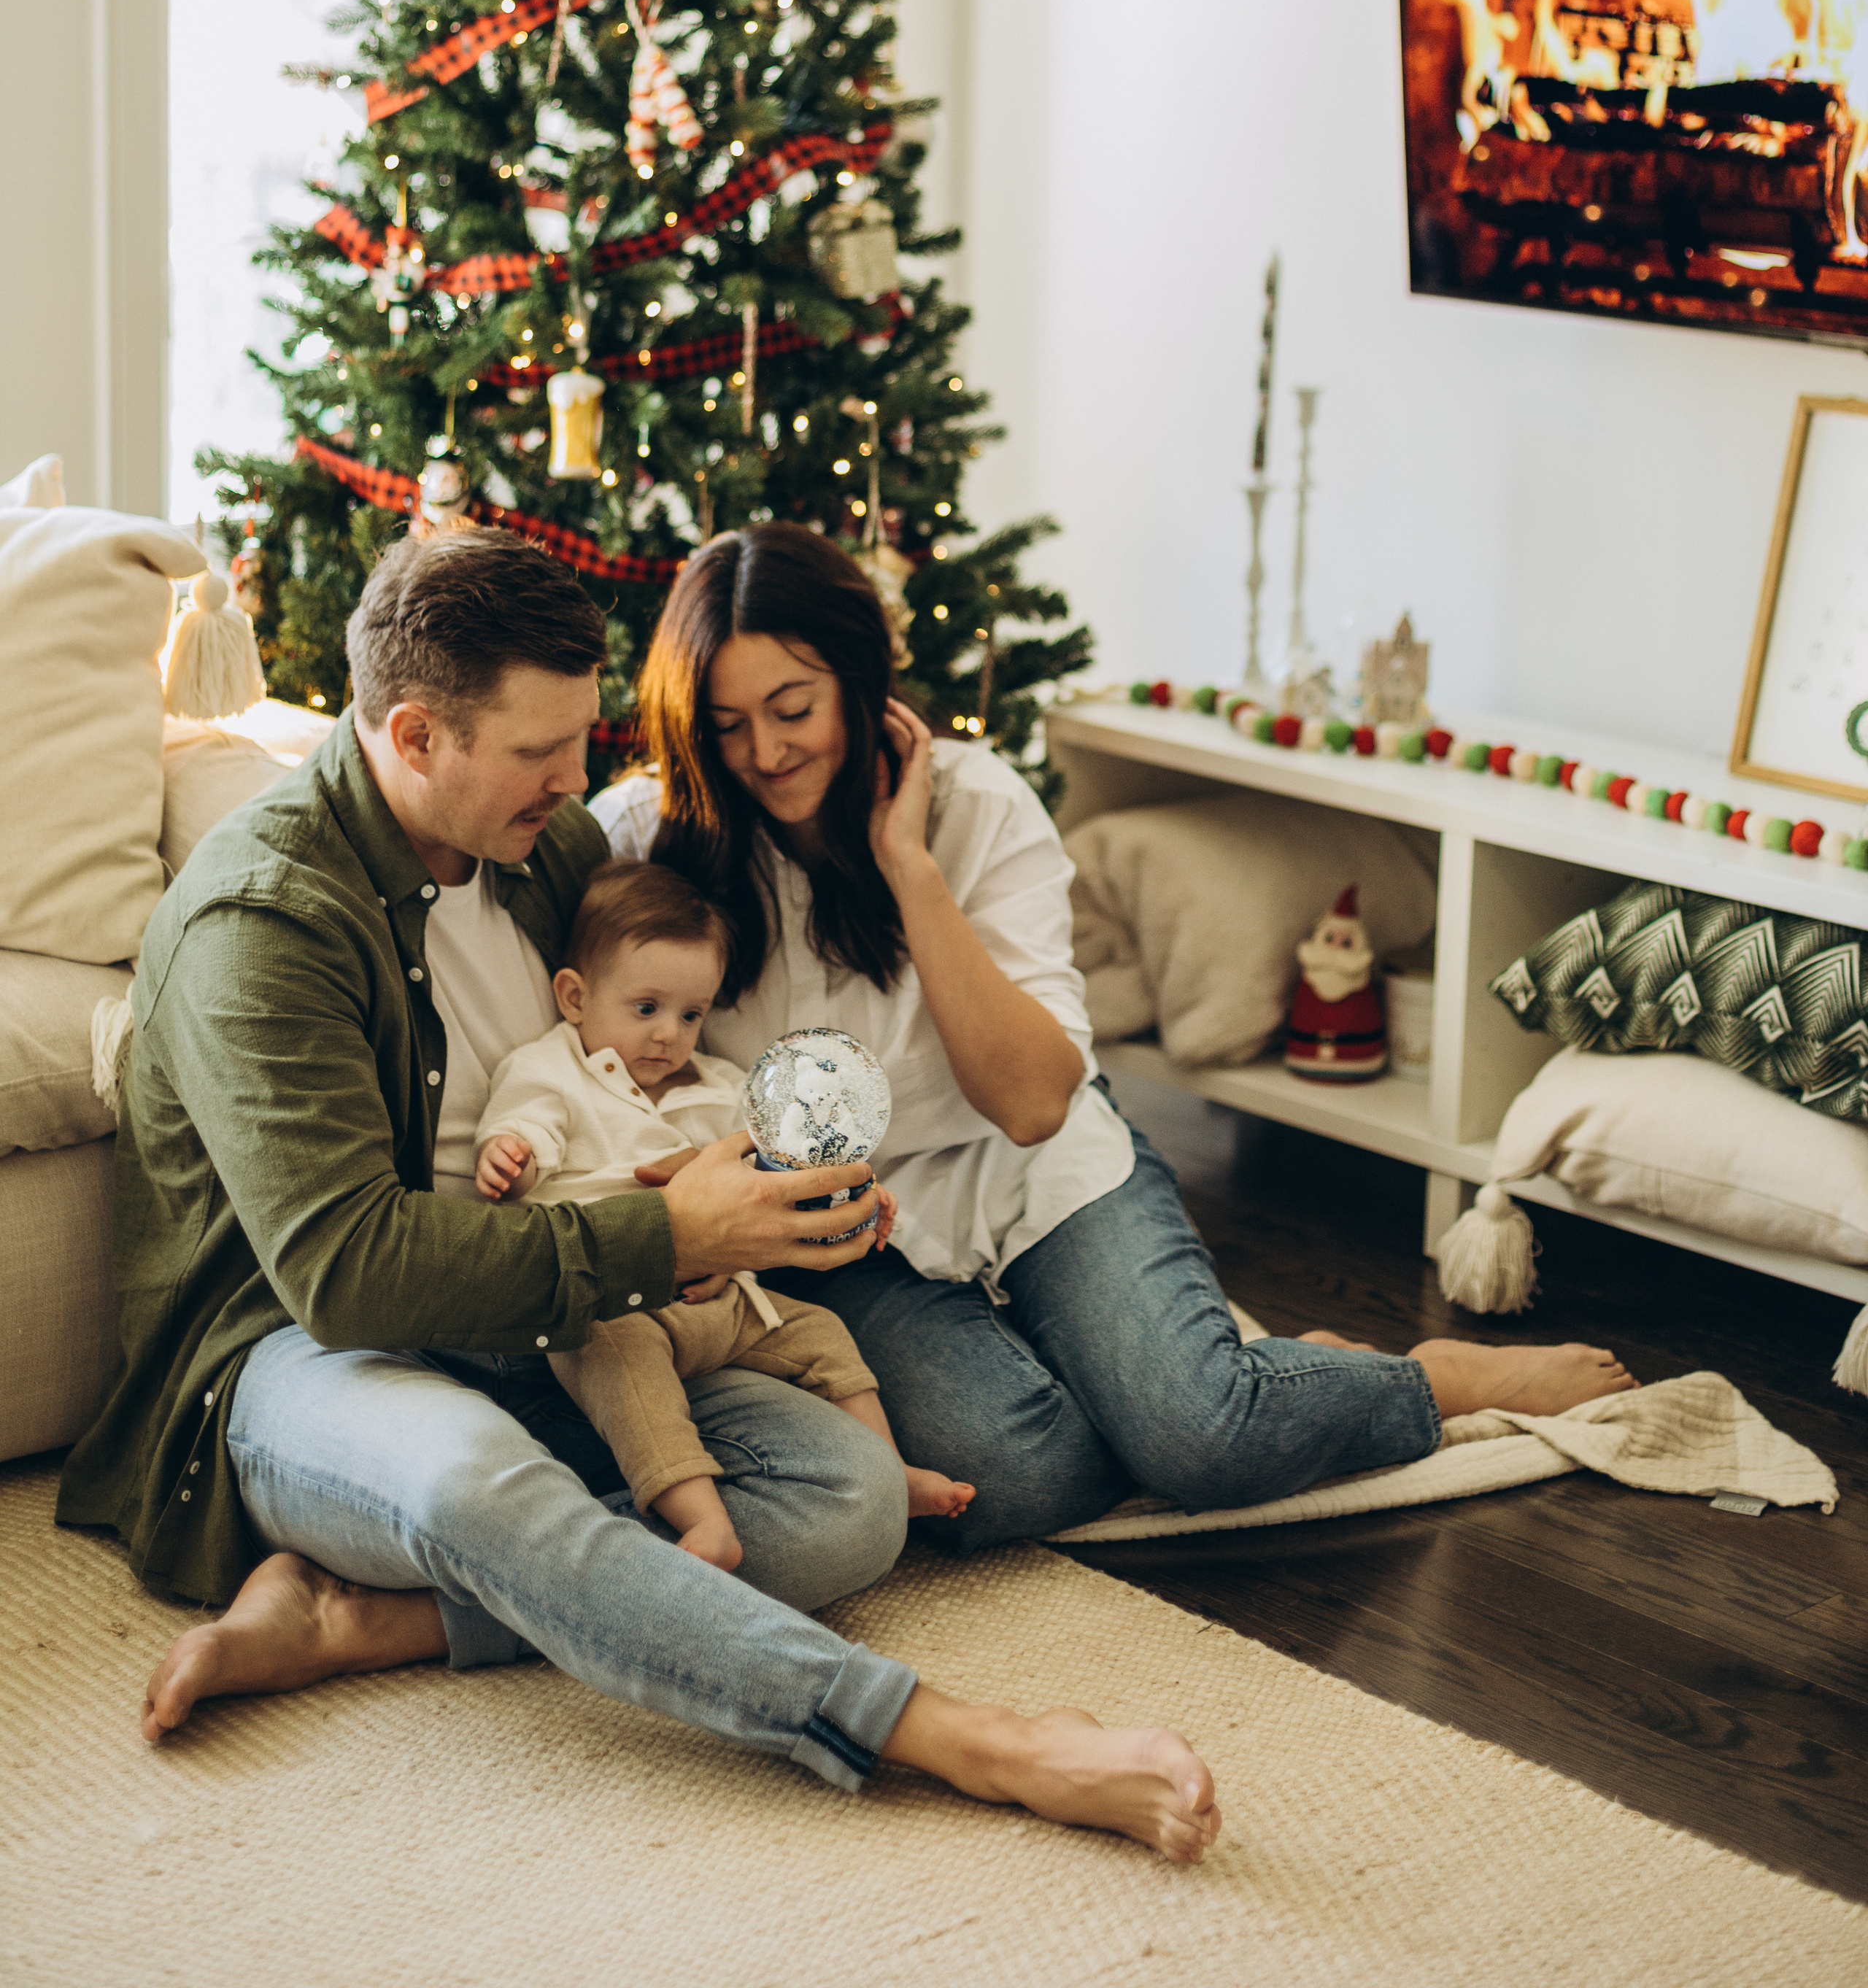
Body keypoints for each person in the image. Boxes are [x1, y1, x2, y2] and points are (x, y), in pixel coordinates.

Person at [53, 529, 1218, 1865]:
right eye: (542, 753)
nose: (584, 781)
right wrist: (666, 1230)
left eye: (584, 740)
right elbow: (348, 1274)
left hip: (550, 1316)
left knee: (853, 1495)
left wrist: (732, 1185)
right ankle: (960, 1739)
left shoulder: (543, 856)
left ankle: (373, 1617)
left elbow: (640, 1077)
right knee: (476, 1480)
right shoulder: (267, 923)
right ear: (419, 735)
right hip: (302, 1351)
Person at [595, 524, 1638, 1550]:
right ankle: (1214, 1384)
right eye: (727, 724)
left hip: (1038, 1167)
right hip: (845, 1243)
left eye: (793, 709)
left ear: (861, 684)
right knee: (1010, 1480)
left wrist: (909, 868)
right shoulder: (651, 839)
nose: (766, 753)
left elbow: (1034, 1102)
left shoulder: (975, 809)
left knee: (1206, 1440)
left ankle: (1420, 1381)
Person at [473, 854, 975, 1568]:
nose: (669, 1035)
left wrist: (856, 1195)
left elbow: (785, 1172)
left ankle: (885, 1465)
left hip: (726, 1300)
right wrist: (508, 1156)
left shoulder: (720, 1087)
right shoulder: (551, 1072)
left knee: (822, 1332)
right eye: (645, 1009)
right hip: (619, 1305)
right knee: (618, 1367)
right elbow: (524, 1136)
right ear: (575, 997)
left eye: (690, 1015)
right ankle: (702, 1519)